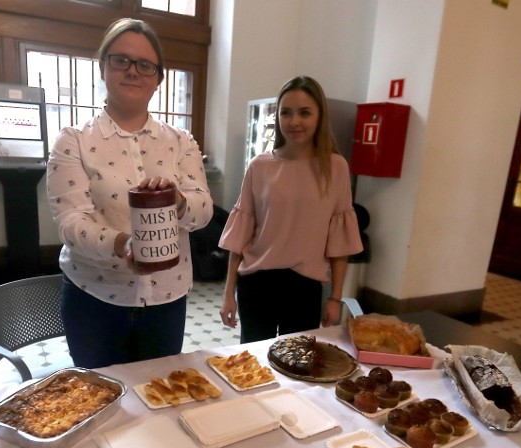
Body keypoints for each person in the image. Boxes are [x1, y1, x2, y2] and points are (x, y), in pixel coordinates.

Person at [46, 18, 213, 368]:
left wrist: (179, 203)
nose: (133, 71)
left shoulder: (181, 142)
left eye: (145, 65)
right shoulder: (74, 140)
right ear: (103, 67)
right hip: (94, 299)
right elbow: (70, 222)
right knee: (102, 402)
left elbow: (204, 211)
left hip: (167, 299)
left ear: (158, 79)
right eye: (120, 60)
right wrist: (122, 244)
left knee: (158, 397)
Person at [218, 75, 362, 342]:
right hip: (256, 283)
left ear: (319, 117)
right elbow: (240, 236)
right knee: (253, 366)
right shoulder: (259, 166)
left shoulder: (335, 168)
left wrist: (335, 298)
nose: (294, 121)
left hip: (304, 288)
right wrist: (228, 294)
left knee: (297, 367)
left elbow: (339, 243)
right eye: (286, 113)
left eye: (304, 113)